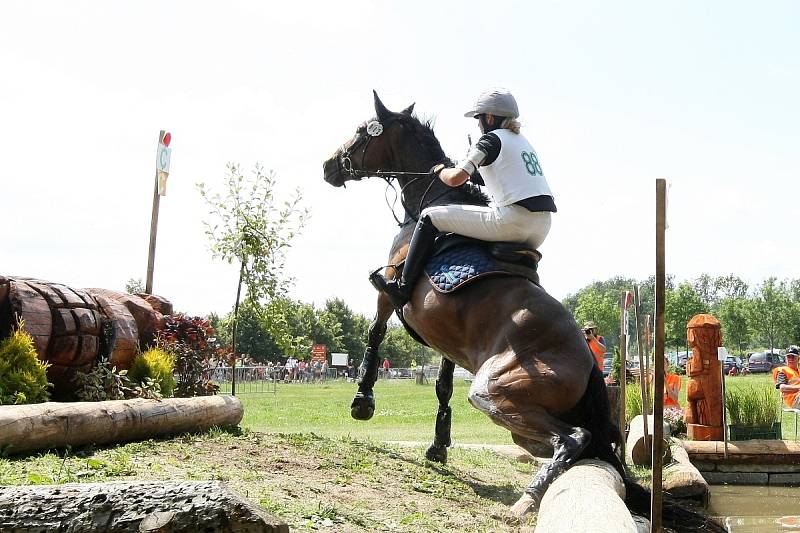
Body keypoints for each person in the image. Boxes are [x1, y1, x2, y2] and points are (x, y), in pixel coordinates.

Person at [370, 87, 557, 308]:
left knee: (429, 216)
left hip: (513, 222)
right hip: (541, 228)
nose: (478, 125)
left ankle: (401, 288)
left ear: (489, 118)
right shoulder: (523, 142)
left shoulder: (489, 140)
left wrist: (439, 169)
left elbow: (456, 178)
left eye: (479, 119)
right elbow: (493, 177)